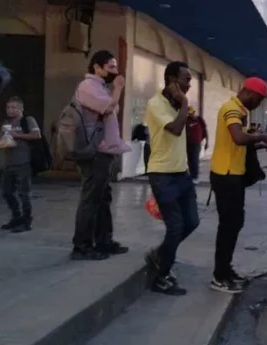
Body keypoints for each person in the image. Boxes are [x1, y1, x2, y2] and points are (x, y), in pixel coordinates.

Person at [209, 77, 267, 293]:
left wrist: (258, 145)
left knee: (234, 224)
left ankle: (225, 269)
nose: (257, 104)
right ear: (246, 92)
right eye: (257, 100)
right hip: (225, 175)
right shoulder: (232, 110)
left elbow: (238, 145)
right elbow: (238, 138)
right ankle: (219, 276)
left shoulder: (240, 111)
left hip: (233, 175)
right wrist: (262, 136)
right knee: (229, 225)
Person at [143, 61, 200, 295]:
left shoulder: (176, 103)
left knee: (192, 222)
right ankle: (161, 276)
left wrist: (183, 105)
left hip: (181, 173)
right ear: (171, 80)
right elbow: (175, 129)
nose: (189, 84)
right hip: (162, 174)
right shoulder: (155, 104)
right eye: (186, 79)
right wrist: (185, 104)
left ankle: (159, 255)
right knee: (175, 226)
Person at [71, 50, 131, 261]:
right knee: (91, 199)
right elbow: (107, 109)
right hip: (94, 151)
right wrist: (118, 88)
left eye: (115, 66)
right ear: (97, 67)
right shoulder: (87, 86)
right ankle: (82, 246)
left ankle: (104, 240)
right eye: (111, 66)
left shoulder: (101, 87)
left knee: (103, 198)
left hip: (104, 151)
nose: (115, 70)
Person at [0, 97, 41, 232]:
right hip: (9, 163)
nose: (10, 110)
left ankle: (26, 221)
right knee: (7, 192)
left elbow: (37, 135)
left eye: (14, 107)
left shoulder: (27, 120)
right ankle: (16, 217)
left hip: (24, 162)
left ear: (21, 108)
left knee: (24, 193)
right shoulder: (6, 122)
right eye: (8, 107)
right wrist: (3, 135)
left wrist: (17, 135)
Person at [185, 106, 208, 183]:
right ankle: (191, 175)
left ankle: (195, 176)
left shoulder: (199, 120)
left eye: (192, 113)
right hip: (188, 143)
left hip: (196, 143)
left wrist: (206, 142)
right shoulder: (187, 120)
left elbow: (205, 130)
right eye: (189, 114)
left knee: (195, 159)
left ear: (194, 112)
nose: (191, 115)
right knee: (189, 160)